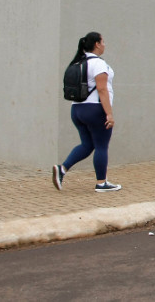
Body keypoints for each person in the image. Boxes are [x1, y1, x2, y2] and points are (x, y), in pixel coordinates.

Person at [52, 32, 121, 192]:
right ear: (97, 44)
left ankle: (62, 170)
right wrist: (109, 114)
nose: (104, 44)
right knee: (102, 146)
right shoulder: (98, 64)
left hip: (77, 110)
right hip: (95, 110)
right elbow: (102, 89)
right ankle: (101, 183)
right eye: (103, 41)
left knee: (87, 144)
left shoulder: (79, 62)